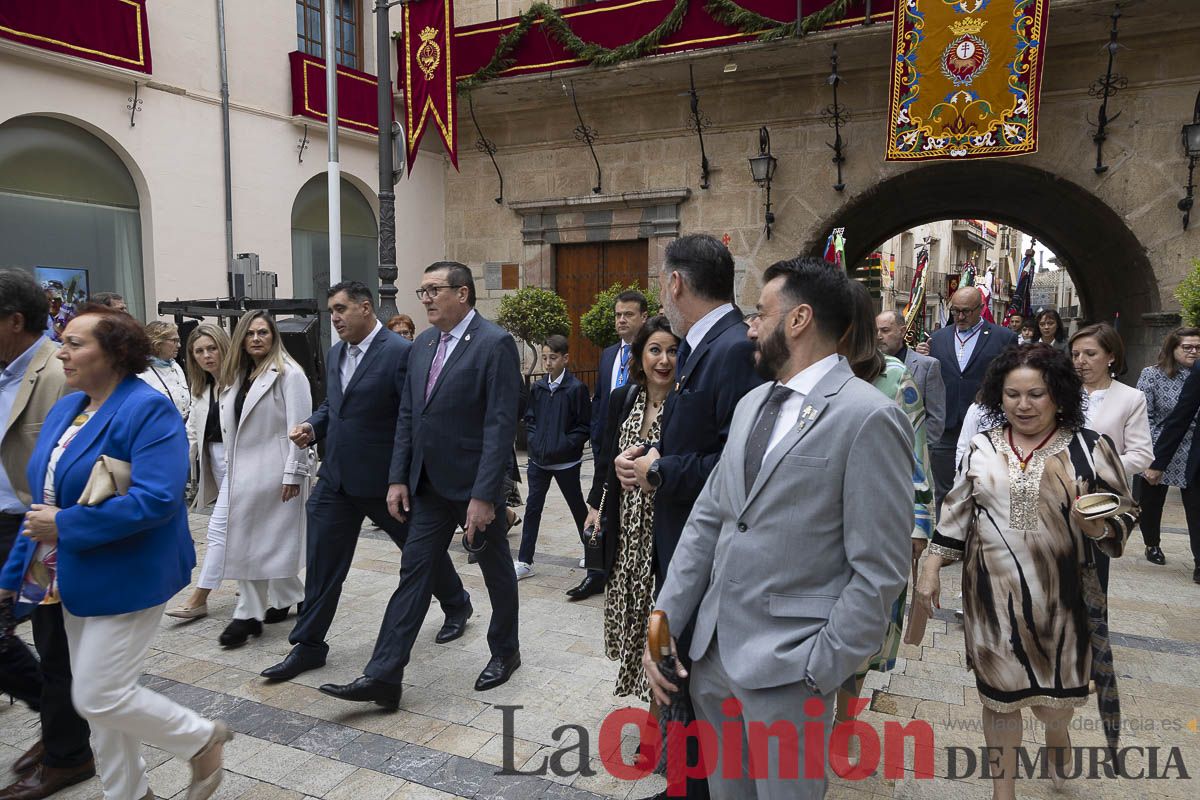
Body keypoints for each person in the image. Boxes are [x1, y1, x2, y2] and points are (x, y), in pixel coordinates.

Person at [645, 257, 914, 799]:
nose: (749, 327)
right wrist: (663, 622)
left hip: (793, 671)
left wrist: (821, 667)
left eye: (759, 314)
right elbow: (709, 522)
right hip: (713, 661)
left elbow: (881, 570)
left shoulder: (867, 416)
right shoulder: (750, 404)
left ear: (798, 320)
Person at [0, 307, 231, 800]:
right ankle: (127, 793)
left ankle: (200, 739)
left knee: (97, 695)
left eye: (75, 343)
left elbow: (156, 499)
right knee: (102, 702)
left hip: (130, 573)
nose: (62, 351)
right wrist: (15, 573)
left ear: (116, 352)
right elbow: (44, 498)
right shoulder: (68, 406)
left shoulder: (147, 408)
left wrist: (63, 525)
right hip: (72, 573)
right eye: (63, 341)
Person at [916, 343, 1138, 800]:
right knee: (999, 699)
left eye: (1035, 394)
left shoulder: (1090, 448)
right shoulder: (980, 446)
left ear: (1058, 394)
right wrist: (931, 564)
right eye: (1012, 395)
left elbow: (1125, 512)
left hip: (1062, 600)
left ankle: (1058, 731)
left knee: (1052, 709)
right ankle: (1004, 792)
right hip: (991, 598)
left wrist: (1099, 525)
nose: (1023, 405)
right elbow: (957, 513)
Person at [319, 263, 522, 708]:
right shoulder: (424, 343)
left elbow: (500, 426)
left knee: (496, 572)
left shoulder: (494, 343)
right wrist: (397, 478)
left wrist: (486, 495)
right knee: (412, 575)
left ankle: (505, 652)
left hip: (473, 489)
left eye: (435, 289)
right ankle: (384, 676)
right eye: (422, 289)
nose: (426, 297)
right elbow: (409, 417)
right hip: (427, 487)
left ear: (463, 294)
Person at [261, 282, 472, 682]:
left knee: (419, 553)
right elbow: (333, 406)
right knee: (322, 563)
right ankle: (308, 645)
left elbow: (411, 418)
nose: (335, 317)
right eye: (331, 311)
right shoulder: (337, 351)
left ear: (365, 307)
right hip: (336, 480)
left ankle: (457, 603)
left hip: (384, 484)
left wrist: (402, 478)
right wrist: (312, 425)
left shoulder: (400, 353)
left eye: (341, 309)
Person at [0, 269, 94, 800]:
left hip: (35, 527)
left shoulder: (58, 374)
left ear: (15, 320)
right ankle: (60, 722)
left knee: (55, 645)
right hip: (6, 523)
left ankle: (69, 753)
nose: (69, 348)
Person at [839, 283, 933, 758]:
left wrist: (919, 524)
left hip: (876, 524)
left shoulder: (895, 379)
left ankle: (843, 719)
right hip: (818, 525)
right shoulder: (801, 377)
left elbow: (917, 453)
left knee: (862, 628)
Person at [590, 318, 678, 699]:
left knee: (660, 629)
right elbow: (604, 455)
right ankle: (648, 708)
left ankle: (657, 720)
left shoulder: (684, 403)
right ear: (639, 356)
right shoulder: (622, 399)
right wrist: (596, 504)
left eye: (673, 350)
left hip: (664, 535)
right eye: (655, 350)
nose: (663, 360)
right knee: (635, 623)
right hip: (626, 536)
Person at [211, 311, 311, 646]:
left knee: (254, 544)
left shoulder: (289, 374)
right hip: (242, 473)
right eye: (250, 333)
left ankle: (246, 615)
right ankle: (290, 595)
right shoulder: (237, 376)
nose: (256, 338)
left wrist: (294, 473)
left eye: (263, 333)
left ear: (274, 336)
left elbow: (301, 429)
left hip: (275, 472)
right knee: (256, 543)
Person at [1070, 323, 1152, 593]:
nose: (1081, 361)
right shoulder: (1060, 394)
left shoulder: (1131, 398)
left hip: (1100, 500)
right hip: (1058, 492)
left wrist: (1098, 465)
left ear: (1111, 356)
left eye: (1090, 354)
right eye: (1075, 354)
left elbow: (1141, 455)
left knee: (1093, 574)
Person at [923, 286, 1017, 511]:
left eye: (966, 311)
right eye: (955, 311)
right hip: (946, 426)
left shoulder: (1003, 337)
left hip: (985, 426)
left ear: (981, 309)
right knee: (944, 489)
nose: (960, 317)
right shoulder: (938, 339)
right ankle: (944, 536)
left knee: (984, 486)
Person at [166, 324, 232, 620]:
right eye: (199, 351)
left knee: (219, 528)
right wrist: (174, 469)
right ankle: (281, 589)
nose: (207, 356)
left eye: (212, 348)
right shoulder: (202, 389)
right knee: (237, 527)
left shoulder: (242, 384)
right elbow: (191, 433)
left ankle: (199, 596)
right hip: (214, 461)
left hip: (243, 463)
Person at [514, 334, 590, 579]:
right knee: (533, 509)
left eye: (553, 358)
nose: (547, 363)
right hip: (539, 462)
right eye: (545, 357)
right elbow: (531, 419)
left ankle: (590, 551)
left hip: (566, 462)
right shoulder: (538, 387)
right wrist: (535, 442)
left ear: (565, 359)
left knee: (577, 506)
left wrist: (566, 444)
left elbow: (583, 425)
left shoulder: (576, 389)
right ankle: (525, 560)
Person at [1136, 327, 1200, 566]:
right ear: (1173, 349)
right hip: (1160, 444)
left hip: (1193, 446)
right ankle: (1152, 543)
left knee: (1195, 504)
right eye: (1187, 347)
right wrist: (1154, 450)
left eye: (1198, 347)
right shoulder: (1152, 375)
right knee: (1151, 500)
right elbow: (1143, 416)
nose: (1193, 352)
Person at [591, 290, 648, 463]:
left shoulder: (651, 355)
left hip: (636, 447)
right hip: (605, 445)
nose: (621, 320)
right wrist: (596, 435)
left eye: (628, 314)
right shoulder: (608, 354)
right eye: (618, 315)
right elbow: (599, 398)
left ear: (644, 317)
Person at [876, 308, 946, 443]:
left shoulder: (927, 366)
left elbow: (936, 417)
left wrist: (920, 450)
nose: (879, 336)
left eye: (885, 331)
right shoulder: (868, 365)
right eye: (876, 331)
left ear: (902, 331)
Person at [138, 320, 190, 419]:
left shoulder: (176, 367)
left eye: (178, 341)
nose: (179, 345)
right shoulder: (141, 373)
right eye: (174, 341)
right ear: (157, 343)